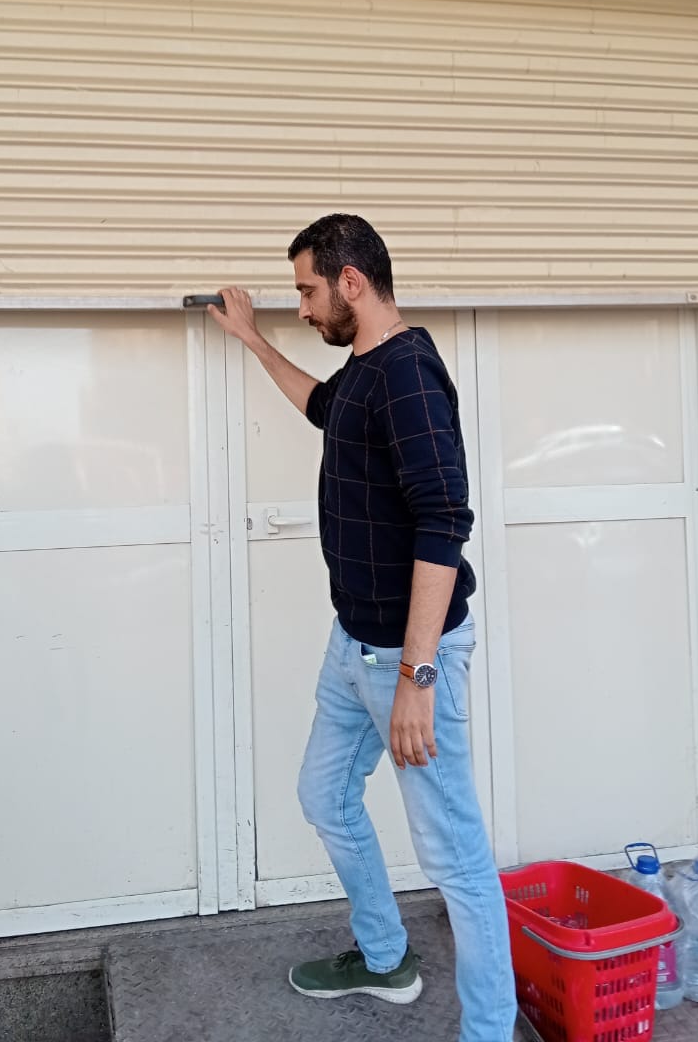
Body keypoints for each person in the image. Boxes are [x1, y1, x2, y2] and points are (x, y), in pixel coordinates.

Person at [209, 215, 517, 1040]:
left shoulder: (408, 373)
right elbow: (322, 408)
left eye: (308, 290)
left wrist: (417, 677)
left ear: (352, 281)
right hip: (353, 645)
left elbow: (443, 522)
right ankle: (384, 957)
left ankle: (489, 1029)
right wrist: (250, 339)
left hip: (404, 659)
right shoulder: (362, 372)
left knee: (453, 854)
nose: (302, 308)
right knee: (325, 795)